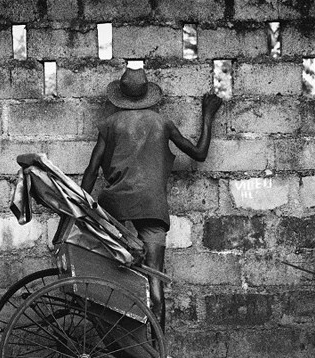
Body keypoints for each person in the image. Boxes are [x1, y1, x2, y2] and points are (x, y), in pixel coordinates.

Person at [81, 67, 222, 329]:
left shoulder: (110, 125)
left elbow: (91, 171)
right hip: (153, 207)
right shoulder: (163, 123)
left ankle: (120, 335)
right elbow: (199, 154)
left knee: (116, 271)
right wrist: (208, 114)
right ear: (147, 93)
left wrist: (80, 206)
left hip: (116, 209)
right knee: (154, 273)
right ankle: (159, 349)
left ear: (120, 95)